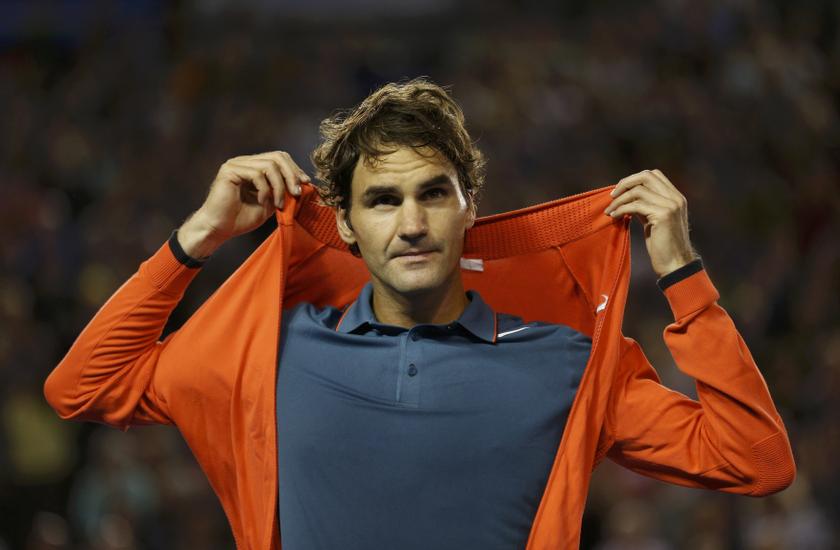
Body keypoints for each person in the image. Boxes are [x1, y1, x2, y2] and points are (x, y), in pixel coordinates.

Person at [44, 77, 795, 549]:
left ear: (471, 209)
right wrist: (196, 238)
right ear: (345, 225)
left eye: (434, 193)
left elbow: (753, 460)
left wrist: (683, 275)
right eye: (382, 199)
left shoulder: (564, 363)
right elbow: (82, 386)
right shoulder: (273, 350)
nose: (411, 222)